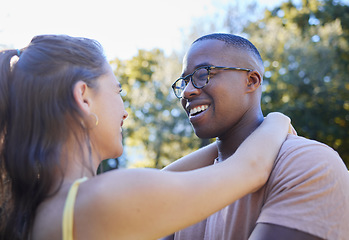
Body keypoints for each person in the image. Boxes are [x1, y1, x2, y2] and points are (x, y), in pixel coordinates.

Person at [0, 34, 293, 240]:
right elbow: (249, 169)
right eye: (118, 91)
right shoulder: (104, 199)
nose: (125, 112)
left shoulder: (42, 205)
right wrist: (278, 120)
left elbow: (164, 177)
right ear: (84, 99)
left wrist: (225, 140)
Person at [163, 33, 349, 240]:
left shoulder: (310, 164)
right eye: (184, 81)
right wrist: (277, 121)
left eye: (202, 74)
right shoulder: (184, 188)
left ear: (251, 81)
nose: (187, 91)